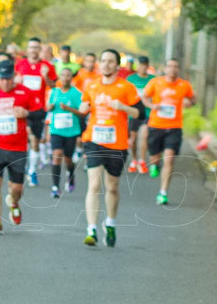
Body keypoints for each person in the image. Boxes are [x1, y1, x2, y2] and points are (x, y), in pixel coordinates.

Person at [78, 49, 145, 248]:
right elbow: (84, 106)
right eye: (104, 60)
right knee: (94, 185)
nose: (106, 64)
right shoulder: (91, 86)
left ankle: (111, 223)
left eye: (111, 61)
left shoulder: (126, 87)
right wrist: (80, 109)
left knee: (112, 187)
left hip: (117, 143)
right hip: (94, 140)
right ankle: (91, 229)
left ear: (117, 65)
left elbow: (140, 114)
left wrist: (123, 107)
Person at [0, 58, 35, 233]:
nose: (5, 83)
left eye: (8, 79)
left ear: (14, 76)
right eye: (2, 79)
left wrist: (27, 113)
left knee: (16, 188)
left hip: (18, 148)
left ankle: (14, 201)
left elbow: (40, 113)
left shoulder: (25, 92)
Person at [142, 59, 195, 205]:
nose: (172, 69)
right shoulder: (155, 83)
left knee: (169, 159)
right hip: (156, 125)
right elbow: (144, 97)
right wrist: (152, 106)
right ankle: (154, 164)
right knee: (154, 156)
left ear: (179, 69)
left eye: (176, 67)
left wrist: (189, 103)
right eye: (170, 66)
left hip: (174, 127)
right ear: (165, 68)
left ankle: (163, 192)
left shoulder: (184, 85)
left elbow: (193, 99)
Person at [14, 37, 57, 186]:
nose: (33, 50)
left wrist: (45, 76)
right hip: (21, 107)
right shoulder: (20, 64)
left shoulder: (47, 66)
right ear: (27, 49)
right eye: (31, 47)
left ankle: (31, 170)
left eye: (36, 47)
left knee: (35, 141)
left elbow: (54, 86)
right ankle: (22, 167)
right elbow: (12, 84)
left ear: (40, 50)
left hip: (37, 108)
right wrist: (16, 82)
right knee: (23, 140)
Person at [45, 66, 83, 197]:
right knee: (57, 155)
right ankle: (55, 187)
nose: (65, 78)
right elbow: (48, 107)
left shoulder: (77, 94)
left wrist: (68, 108)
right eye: (63, 75)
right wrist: (49, 107)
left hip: (71, 131)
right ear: (60, 77)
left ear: (71, 78)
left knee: (67, 158)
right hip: (56, 129)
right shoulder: (54, 92)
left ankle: (71, 174)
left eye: (68, 75)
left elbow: (82, 113)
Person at [126, 55, 156, 174]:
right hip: (133, 113)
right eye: (140, 65)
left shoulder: (153, 80)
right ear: (137, 66)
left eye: (145, 65)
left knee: (144, 135)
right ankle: (134, 159)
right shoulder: (130, 79)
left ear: (148, 66)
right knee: (132, 140)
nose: (142, 67)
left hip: (148, 112)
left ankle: (142, 161)